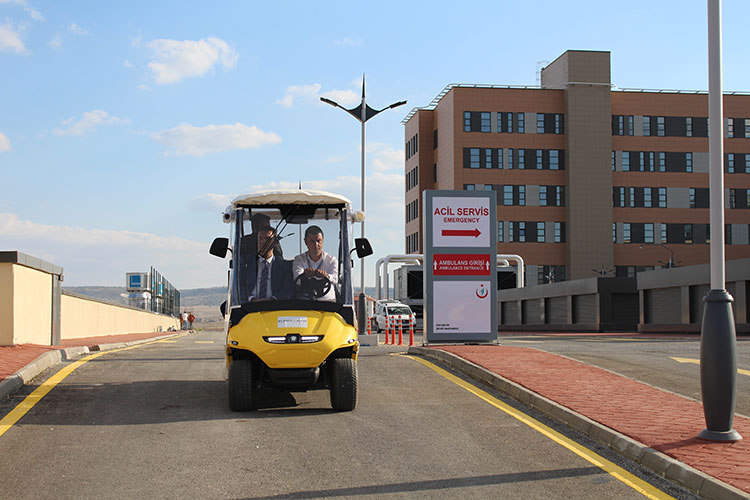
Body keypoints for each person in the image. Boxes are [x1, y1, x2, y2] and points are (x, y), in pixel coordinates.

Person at [246, 225, 293, 301]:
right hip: (249, 305)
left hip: (275, 306)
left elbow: (287, 290)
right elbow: (238, 287)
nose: (263, 242)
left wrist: (272, 300)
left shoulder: (284, 266)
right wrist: (252, 299)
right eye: (260, 238)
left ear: (275, 242)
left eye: (267, 239)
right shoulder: (246, 263)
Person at [293, 225, 338, 301]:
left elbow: (335, 279)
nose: (316, 244)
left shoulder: (331, 260)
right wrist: (305, 275)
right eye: (312, 241)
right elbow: (297, 278)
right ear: (305, 242)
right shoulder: (299, 259)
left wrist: (326, 276)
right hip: (304, 301)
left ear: (323, 241)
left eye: (318, 241)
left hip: (327, 301)